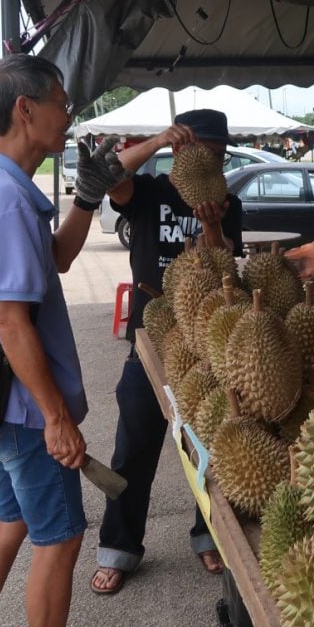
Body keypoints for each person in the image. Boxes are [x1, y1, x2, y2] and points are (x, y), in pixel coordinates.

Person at [0, 54, 93, 627]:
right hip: (27, 409)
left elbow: (55, 260)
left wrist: (88, 195)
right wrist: (56, 418)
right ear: (25, 109)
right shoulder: (7, 200)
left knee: (9, 523)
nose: (69, 114)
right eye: (62, 102)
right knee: (59, 540)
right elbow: (11, 323)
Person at [89, 110, 244, 595]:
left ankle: (208, 535)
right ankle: (119, 548)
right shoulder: (150, 192)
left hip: (204, 345)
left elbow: (226, 274)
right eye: (205, 154)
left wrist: (213, 229)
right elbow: (107, 174)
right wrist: (157, 139)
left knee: (211, 448)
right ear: (182, 150)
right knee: (133, 446)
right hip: (151, 340)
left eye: (220, 157)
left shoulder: (226, 202)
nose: (214, 166)